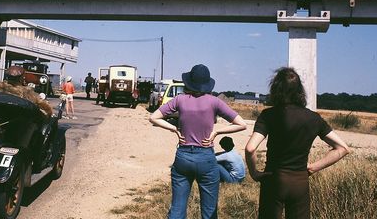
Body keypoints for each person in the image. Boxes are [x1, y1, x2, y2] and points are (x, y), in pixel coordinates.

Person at [245, 67, 350, 219]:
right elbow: (343, 148)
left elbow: (250, 148)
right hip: (300, 181)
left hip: (273, 179)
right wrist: (314, 167)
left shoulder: (268, 115)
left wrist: (254, 173)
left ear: (275, 88)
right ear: (299, 90)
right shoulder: (314, 118)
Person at [150, 64, 247, 219]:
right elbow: (241, 124)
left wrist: (174, 129)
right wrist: (217, 132)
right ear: (207, 84)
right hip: (206, 158)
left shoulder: (180, 100)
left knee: (177, 209)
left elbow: (153, 117)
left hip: (183, 156)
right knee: (209, 212)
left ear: (189, 82)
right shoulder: (215, 102)